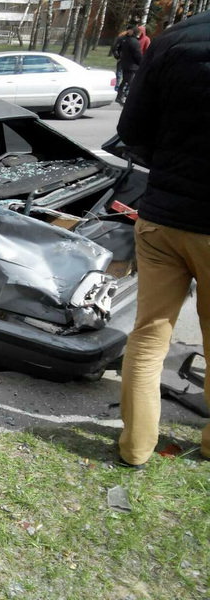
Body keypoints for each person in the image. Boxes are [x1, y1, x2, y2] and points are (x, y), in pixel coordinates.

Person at [116, 10, 210, 468]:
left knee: (149, 337)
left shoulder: (174, 40)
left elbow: (131, 130)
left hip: (163, 220)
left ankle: (135, 448)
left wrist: (169, 164)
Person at [115, 24, 142, 104]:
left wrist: (119, 57)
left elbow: (117, 49)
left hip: (125, 63)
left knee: (125, 81)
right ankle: (123, 97)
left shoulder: (124, 40)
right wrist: (141, 63)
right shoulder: (134, 42)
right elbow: (137, 55)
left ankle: (120, 96)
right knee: (129, 82)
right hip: (132, 65)